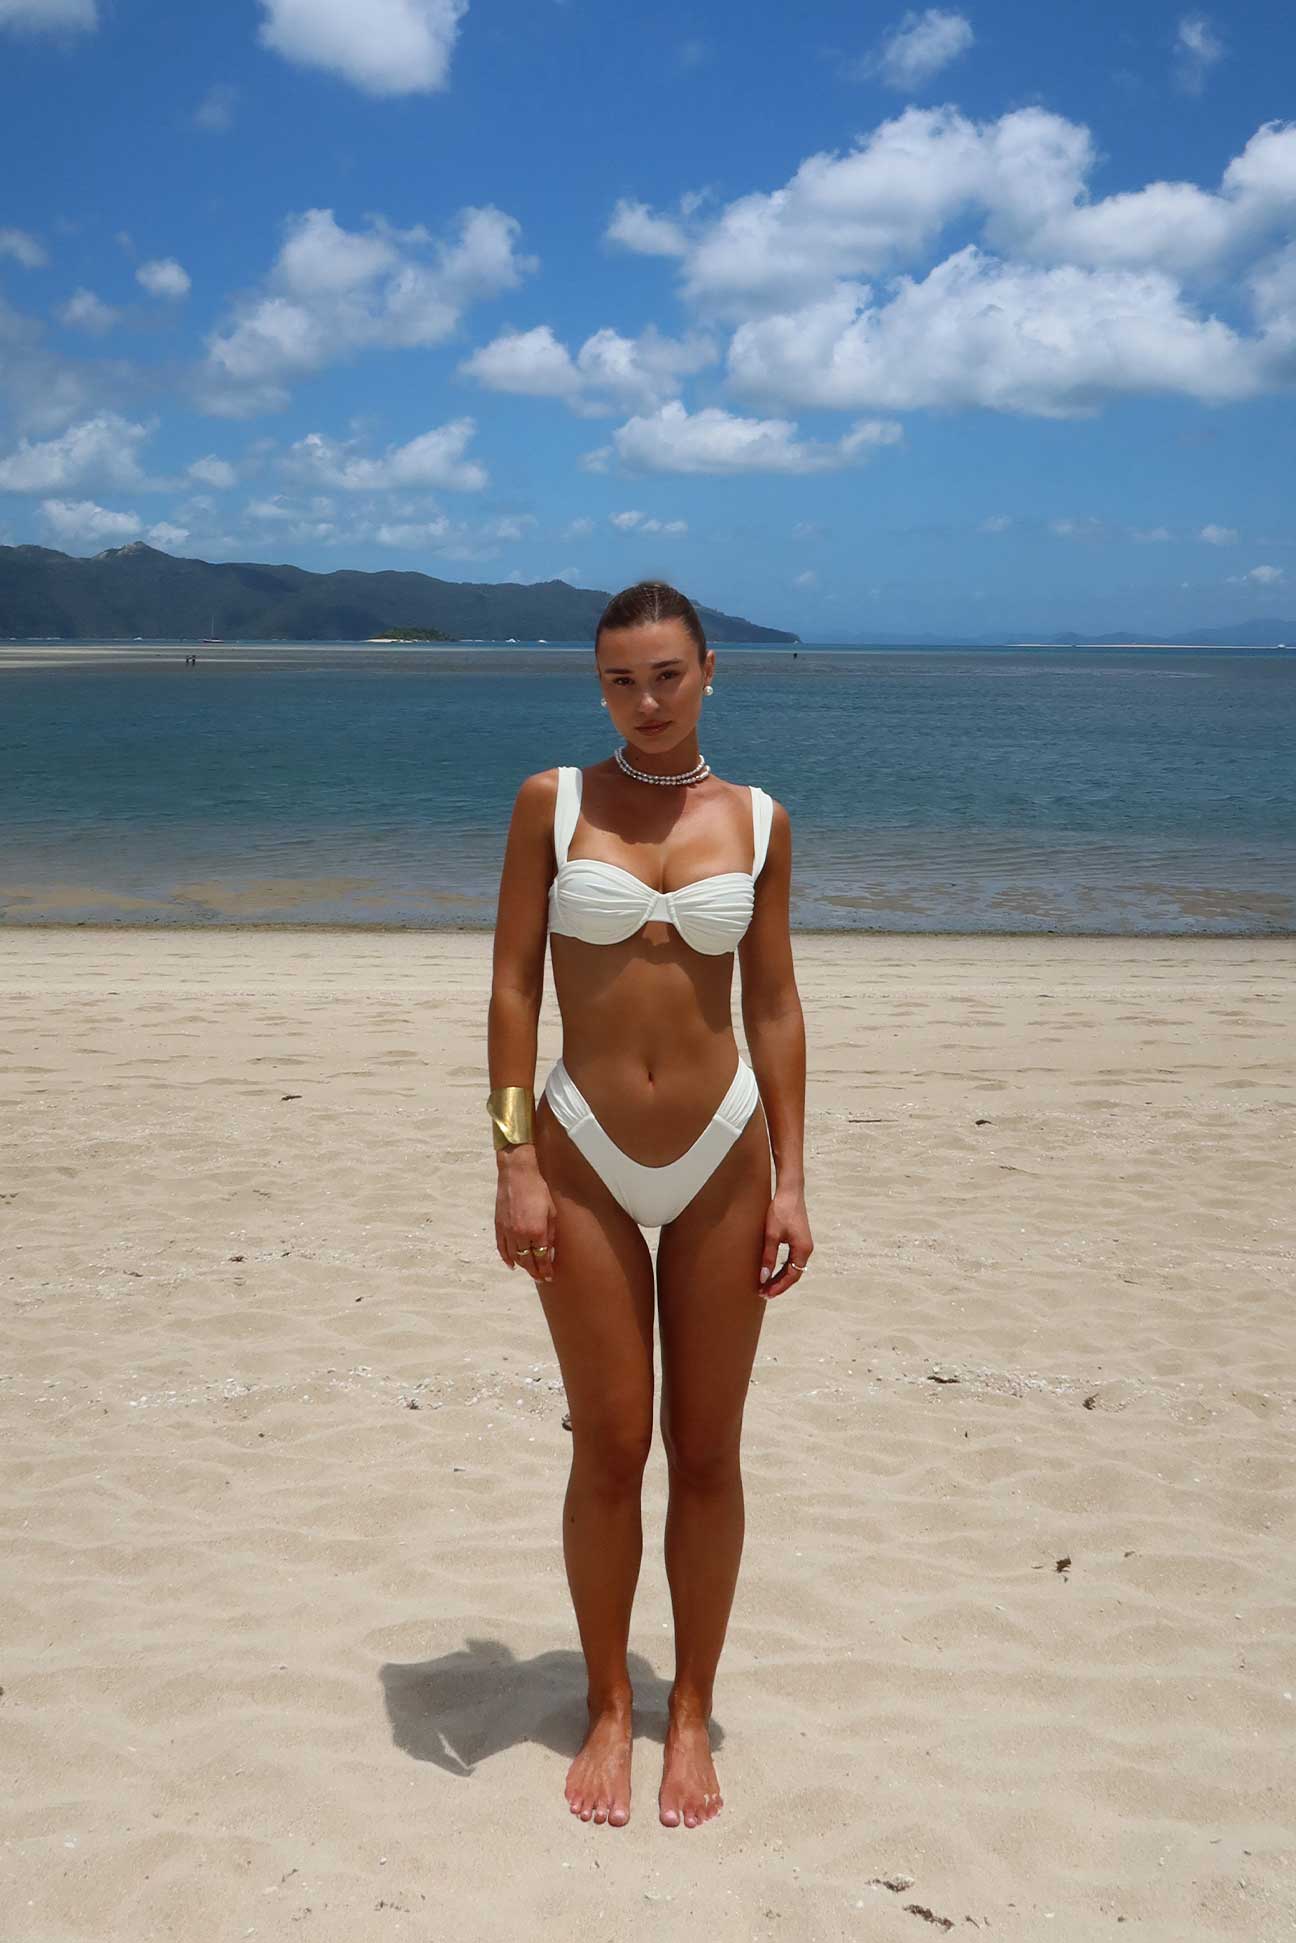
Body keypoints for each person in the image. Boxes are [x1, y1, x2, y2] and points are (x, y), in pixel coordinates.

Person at [486, 580, 813, 1830]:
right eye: (622, 679)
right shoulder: (550, 804)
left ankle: (692, 1713)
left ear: (712, 669)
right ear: (599, 684)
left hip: (725, 1149)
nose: (646, 700)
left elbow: (774, 1003)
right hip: (579, 1149)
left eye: (668, 674)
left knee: (711, 1450)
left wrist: (793, 1174)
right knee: (611, 1442)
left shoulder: (764, 818)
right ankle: (612, 1700)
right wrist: (513, 1159)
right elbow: (514, 986)